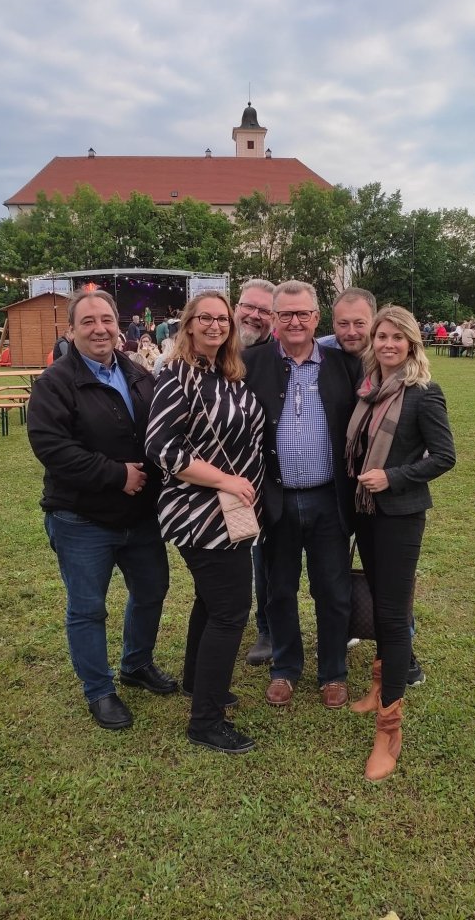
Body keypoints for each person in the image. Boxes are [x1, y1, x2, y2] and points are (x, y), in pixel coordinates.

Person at [27, 289, 176, 731]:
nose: (99, 329)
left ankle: (136, 664)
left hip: (140, 516)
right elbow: (52, 447)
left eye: (107, 320)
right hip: (82, 518)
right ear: (71, 330)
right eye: (88, 321)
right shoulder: (55, 383)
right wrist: (116, 474)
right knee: (88, 608)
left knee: (151, 591)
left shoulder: (139, 374)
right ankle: (99, 690)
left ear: (119, 325)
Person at [146, 291, 265, 754]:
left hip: (232, 511)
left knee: (212, 602)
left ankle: (198, 680)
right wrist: (226, 480)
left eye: (222, 319)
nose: (215, 325)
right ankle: (206, 721)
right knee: (231, 610)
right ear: (189, 324)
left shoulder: (225, 374)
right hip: (200, 514)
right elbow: (163, 448)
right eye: (206, 318)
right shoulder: (177, 376)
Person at [242, 280, 363, 709]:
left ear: (316, 317)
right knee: (279, 590)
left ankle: (333, 672)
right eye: (285, 314)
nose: (295, 322)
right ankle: (285, 668)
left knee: (332, 590)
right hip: (274, 498)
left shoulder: (343, 365)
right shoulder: (250, 363)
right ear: (274, 319)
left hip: (328, 498)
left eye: (303, 314)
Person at [347, 305, 456, 781]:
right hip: (366, 513)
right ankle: (377, 687)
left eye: (397, 337)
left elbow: (444, 456)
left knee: (392, 617)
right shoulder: (370, 388)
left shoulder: (423, 393)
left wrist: (392, 477)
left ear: (412, 343)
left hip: (399, 516)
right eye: (382, 336)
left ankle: (389, 729)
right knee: (379, 604)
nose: (388, 344)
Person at [232, 279, 276, 667]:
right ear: (237, 305)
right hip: (222, 475)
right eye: (250, 306)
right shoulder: (216, 346)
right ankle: (234, 621)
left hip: (269, 475)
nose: (255, 315)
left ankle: (267, 627)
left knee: (266, 554)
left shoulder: (277, 354)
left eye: (265, 310)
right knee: (231, 556)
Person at [318, 288, 376, 356]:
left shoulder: (384, 353)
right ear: (333, 324)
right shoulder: (316, 351)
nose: (351, 333)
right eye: (343, 324)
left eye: (359, 323)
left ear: (374, 323)